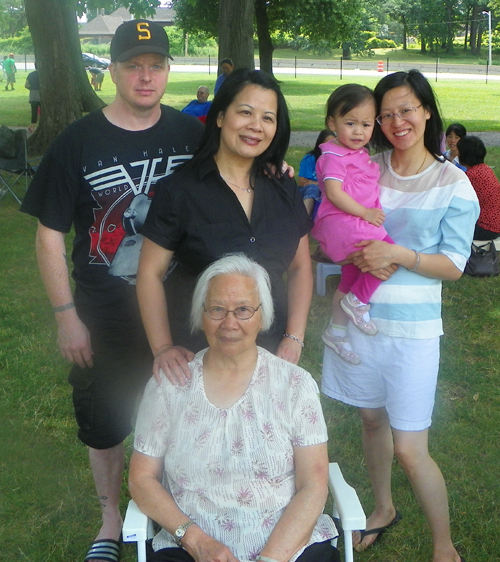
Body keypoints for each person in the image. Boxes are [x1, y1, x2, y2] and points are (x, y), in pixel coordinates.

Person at [20, 19, 204, 562]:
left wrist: (276, 169)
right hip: (103, 313)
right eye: (132, 65)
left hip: (182, 312)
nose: (145, 76)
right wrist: (65, 315)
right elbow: (50, 235)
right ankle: (109, 520)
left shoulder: (193, 136)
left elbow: (240, 178)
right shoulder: (78, 141)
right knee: (103, 421)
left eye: (156, 65)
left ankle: (174, 509)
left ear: (168, 70)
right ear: (113, 71)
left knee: (185, 414)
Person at [321, 70, 478, 562]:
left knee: (411, 446)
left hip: (412, 332)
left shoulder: (453, 183)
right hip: (358, 318)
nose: (395, 122)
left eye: (406, 109)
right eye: (385, 114)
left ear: (427, 111)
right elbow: (330, 189)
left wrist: (400, 256)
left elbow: (454, 266)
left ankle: (443, 546)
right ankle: (383, 508)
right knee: (371, 421)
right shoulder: (369, 164)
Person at [130, 253, 340, 562]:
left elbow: (314, 484)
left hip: (289, 545)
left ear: (261, 316)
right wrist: (195, 540)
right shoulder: (170, 385)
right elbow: (141, 479)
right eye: (217, 309)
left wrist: (271, 558)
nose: (230, 323)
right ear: (201, 315)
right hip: (192, 547)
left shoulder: (294, 385)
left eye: (243, 310)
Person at [137, 68, 313, 387]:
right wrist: (162, 347)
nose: (255, 126)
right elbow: (149, 273)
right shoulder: (180, 190)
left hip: (271, 351)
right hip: (200, 356)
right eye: (245, 112)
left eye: (267, 118)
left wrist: (295, 337)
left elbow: (301, 266)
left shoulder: (283, 186)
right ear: (219, 117)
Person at [312, 85, 395, 366]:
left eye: (366, 124)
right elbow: (334, 193)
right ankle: (359, 300)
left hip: (347, 226)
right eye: (350, 123)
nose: (358, 131)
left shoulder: (355, 154)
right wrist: (367, 213)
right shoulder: (333, 156)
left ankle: (336, 332)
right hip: (346, 224)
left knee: (348, 277)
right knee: (390, 252)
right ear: (332, 123)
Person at [458, 135, 500, 240]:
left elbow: (458, 201)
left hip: (486, 228)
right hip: (496, 224)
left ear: (464, 155)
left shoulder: (471, 175)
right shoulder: (486, 169)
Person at [297, 129, 334, 218]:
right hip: (307, 192)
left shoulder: (336, 161)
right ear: (319, 144)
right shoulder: (310, 158)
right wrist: (317, 185)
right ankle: (303, 220)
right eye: (326, 143)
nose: (329, 147)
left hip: (325, 191)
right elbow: (301, 182)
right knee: (313, 189)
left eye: (333, 144)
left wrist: (315, 183)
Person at [25, 63, 40, 132]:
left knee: (34, 111)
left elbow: (26, 85)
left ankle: (33, 127)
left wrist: (31, 89)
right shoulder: (43, 75)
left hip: (33, 94)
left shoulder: (30, 74)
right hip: (41, 94)